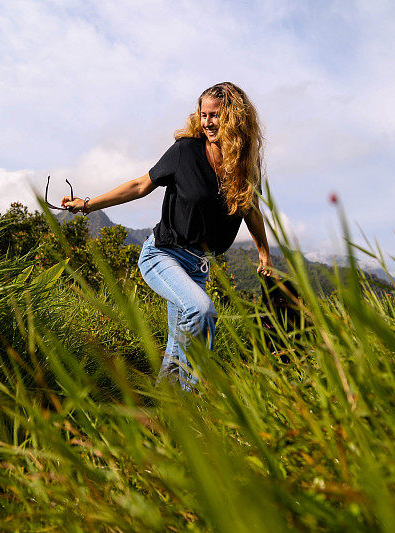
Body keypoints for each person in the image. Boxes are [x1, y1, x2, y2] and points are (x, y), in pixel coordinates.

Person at [62, 82, 273, 390]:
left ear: (234, 118)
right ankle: (194, 403)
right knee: (201, 311)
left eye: (216, 115)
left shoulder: (245, 167)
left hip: (198, 267)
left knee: (178, 347)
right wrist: (87, 205)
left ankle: (166, 411)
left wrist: (264, 254)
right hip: (163, 255)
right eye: (204, 115)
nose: (208, 122)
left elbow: (250, 211)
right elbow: (139, 186)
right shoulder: (185, 151)